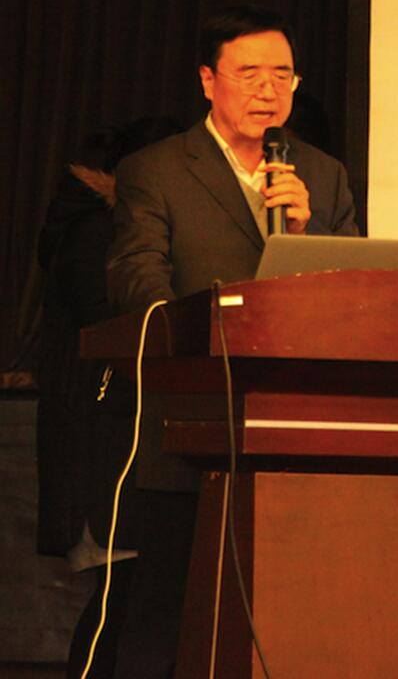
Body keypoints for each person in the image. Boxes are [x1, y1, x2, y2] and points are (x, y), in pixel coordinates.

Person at [105, 5, 358, 678]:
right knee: (167, 618)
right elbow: (136, 280)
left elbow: (350, 297)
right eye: (249, 74)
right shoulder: (157, 169)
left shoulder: (322, 174)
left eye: (282, 75)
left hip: (293, 432)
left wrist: (306, 235)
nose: (267, 90)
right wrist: (191, 340)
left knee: (281, 620)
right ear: (207, 80)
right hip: (191, 423)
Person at [36, 117, 183, 678]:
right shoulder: (98, 233)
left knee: (132, 599)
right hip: (104, 438)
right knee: (119, 601)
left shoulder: (103, 227)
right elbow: (110, 328)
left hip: (121, 432)